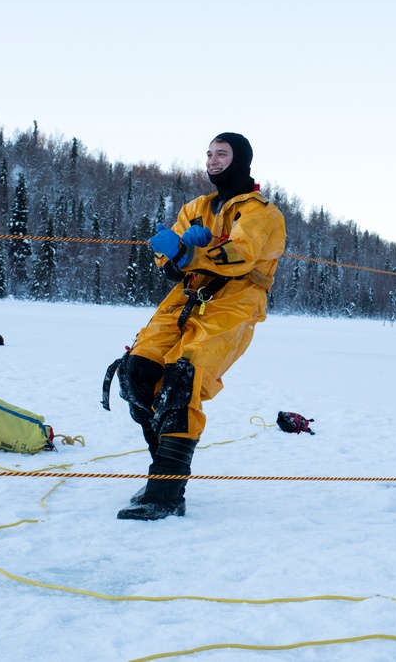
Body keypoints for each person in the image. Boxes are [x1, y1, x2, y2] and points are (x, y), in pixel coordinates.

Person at [105, 133, 286, 520]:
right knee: (137, 372)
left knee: (183, 376)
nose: (213, 160)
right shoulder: (197, 207)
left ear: (241, 160)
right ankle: (165, 478)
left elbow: (242, 253)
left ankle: (165, 493)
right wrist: (172, 253)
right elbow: (170, 262)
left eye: (222, 153)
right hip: (187, 297)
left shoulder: (260, 212)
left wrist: (192, 252)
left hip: (235, 301)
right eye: (209, 154)